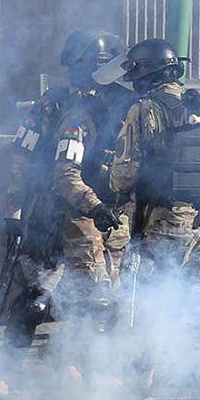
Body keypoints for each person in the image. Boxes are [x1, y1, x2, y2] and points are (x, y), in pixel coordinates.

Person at [100, 38, 200, 400]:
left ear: (143, 74)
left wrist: (109, 179)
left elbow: (125, 175)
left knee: (149, 305)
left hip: (165, 223)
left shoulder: (143, 110)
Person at [47, 31, 133, 380]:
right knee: (88, 300)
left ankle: (103, 373)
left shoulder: (130, 115)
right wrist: (95, 206)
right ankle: (70, 371)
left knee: (115, 301)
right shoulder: (79, 118)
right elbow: (64, 175)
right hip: (85, 220)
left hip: (119, 219)